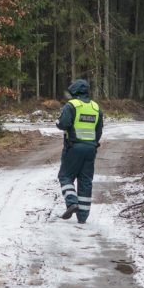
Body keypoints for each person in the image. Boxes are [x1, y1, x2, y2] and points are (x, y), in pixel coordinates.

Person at [55, 79, 103, 223]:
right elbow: (98, 130)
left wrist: (58, 122)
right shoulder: (95, 107)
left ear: (74, 91)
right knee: (86, 181)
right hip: (90, 149)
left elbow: (63, 124)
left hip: (73, 147)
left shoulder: (71, 105)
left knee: (65, 176)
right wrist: (92, 144)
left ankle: (71, 202)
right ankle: (82, 217)